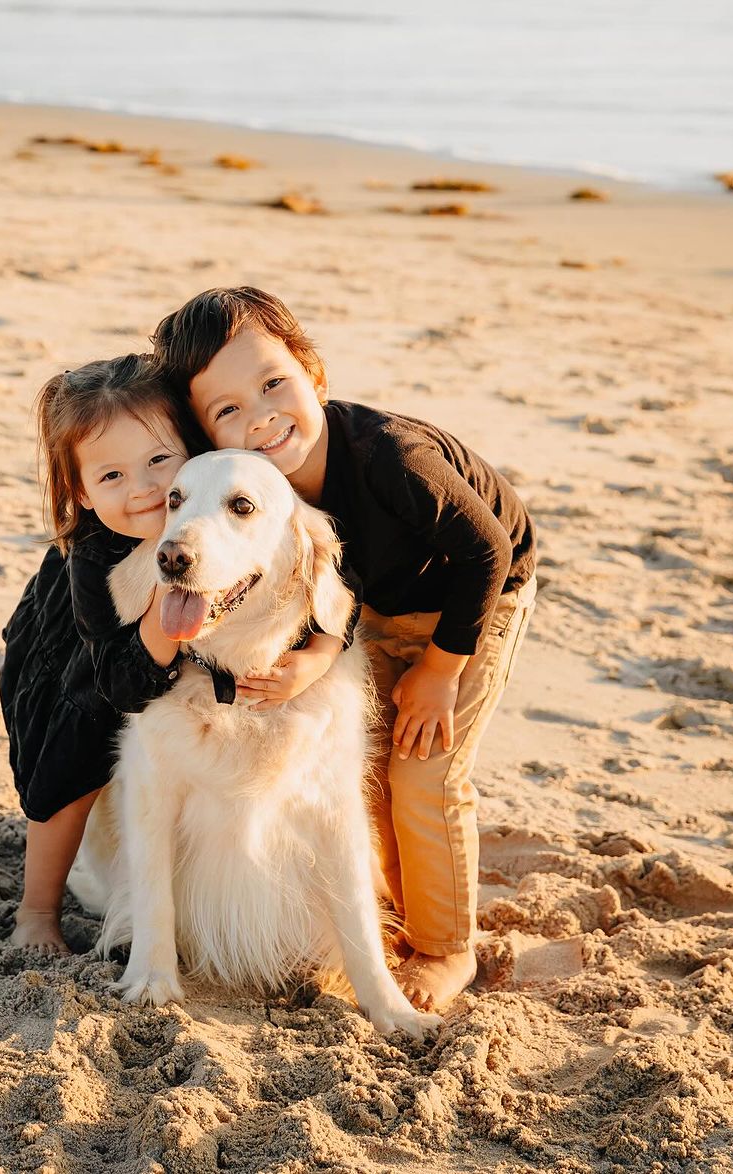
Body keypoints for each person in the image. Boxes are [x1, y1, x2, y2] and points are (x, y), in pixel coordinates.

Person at [150, 287, 537, 1014]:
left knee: (424, 767)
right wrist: (322, 654)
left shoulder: (396, 459)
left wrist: (440, 671)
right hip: (381, 598)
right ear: (206, 434)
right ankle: (389, 913)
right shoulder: (260, 488)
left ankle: (448, 947)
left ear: (315, 377)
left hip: (476, 596)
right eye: (227, 410)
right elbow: (338, 575)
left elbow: (486, 550)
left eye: (274, 384)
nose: (260, 415)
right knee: (371, 767)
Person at [0, 351, 353, 953]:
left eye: (160, 462)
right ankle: (37, 909)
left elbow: (340, 585)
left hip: (172, 605)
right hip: (80, 659)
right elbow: (121, 681)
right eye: (110, 477)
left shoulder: (214, 511)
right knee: (71, 763)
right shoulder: (91, 558)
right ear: (80, 494)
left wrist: (320, 652)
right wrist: (170, 614)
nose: (142, 491)